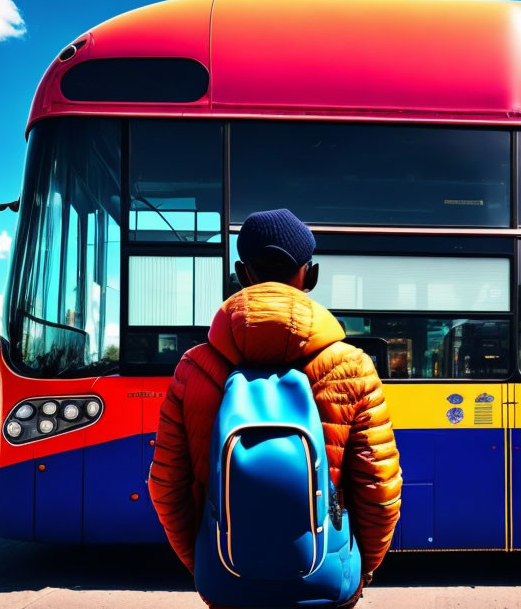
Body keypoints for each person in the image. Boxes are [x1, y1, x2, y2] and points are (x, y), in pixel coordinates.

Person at [149, 208, 402, 609]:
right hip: (326, 583)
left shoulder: (193, 369)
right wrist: (356, 571)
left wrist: (208, 565)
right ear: (310, 275)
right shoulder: (352, 366)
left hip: (228, 583)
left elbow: (166, 487)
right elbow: (379, 489)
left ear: (240, 272)